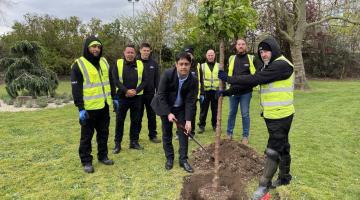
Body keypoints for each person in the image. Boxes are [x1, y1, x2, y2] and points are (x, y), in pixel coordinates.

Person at [218, 36, 295, 199]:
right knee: (283, 146)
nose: (263, 55)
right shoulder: (269, 66)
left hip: (281, 115)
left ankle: (263, 185)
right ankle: (284, 177)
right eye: (261, 52)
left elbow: (255, 78)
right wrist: (228, 92)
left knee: (273, 150)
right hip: (273, 115)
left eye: (266, 51)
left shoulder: (282, 65)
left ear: (274, 50)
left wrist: (229, 79)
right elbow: (250, 83)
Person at [71, 35, 115, 173]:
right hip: (89, 109)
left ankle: (103, 156)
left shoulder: (104, 62)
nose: (96, 49)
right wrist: (80, 108)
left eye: (98, 47)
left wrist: (115, 97)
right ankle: (86, 161)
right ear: (87, 48)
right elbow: (76, 88)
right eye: (93, 47)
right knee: (86, 137)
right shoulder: (79, 64)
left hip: (103, 105)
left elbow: (111, 80)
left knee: (103, 133)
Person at [151, 52, 198, 173]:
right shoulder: (167, 74)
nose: (183, 66)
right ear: (176, 64)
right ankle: (169, 159)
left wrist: (188, 120)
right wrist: (168, 113)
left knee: (184, 133)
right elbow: (160, 95)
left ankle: (183, 160)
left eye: (186, 64)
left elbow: (191, 101)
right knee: (167, 133)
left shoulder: (193, 80)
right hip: (165, 106)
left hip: (181, 108)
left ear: (190, 65)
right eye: (181, 64)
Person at [112, 44, 146, 153]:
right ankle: (117, 144)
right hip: (122, 97)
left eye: (132, 52)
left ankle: (134, 142)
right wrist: (126, 91)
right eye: (128, 52)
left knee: (135, 121)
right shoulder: (118, 63)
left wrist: (136, 91)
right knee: (120, 121)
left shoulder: (140, 64)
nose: (130, 54)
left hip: (137, 97)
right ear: (124, 53)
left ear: (135, 54)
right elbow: (115, 80)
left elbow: (145, 81)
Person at [223, 38, 257, 145]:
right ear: (236, 46)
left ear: (246, 46)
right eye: (239, 44)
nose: (241, 46)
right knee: (231, 113)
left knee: (245, 114)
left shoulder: (251, 58)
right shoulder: (231, 59)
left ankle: (245, 137)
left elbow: (257, 75)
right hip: (233, 92)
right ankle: (229, 134)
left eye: (243, 44)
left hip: (246, 92)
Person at [138, 42, 161, 143]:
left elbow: (157, 79)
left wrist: (158, 92)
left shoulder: (154, 64)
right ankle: (135, 136)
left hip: (151, 94)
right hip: (138, 94)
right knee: (137, 116)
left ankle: (153, 135)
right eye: (144, 50)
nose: (146, 52)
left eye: (148, 50)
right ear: (140, 50)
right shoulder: (136, 62)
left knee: (151, 116)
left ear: (150, 51)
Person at [198, 49, 219, 133]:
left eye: (212, 55)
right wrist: (201, 91)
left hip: (216, 91)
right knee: (203, 110)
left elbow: (222, 79)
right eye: (209, 55)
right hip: (205, 91)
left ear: (214, 56)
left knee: (215, 110)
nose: (210, 57)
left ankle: (215, 125)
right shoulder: (202, 66)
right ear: (206, 56)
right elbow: (200, 79)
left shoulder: (219, 65)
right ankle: (201, 126)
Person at [183, 45, 203, 137]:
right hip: (182, 95)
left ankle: (191, 132)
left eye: (190, 54)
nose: (188, 56)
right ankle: (180, 133)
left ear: (193, 55)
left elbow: (201, 79)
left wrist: (201, 93)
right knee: (181, 114)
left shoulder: (197, 65)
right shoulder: (181, 64)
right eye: (186, 54)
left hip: (193, 95)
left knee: (191, 114)